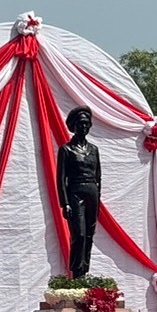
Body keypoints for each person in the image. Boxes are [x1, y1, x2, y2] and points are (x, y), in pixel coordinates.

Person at [56, 106, 101, 280]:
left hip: (92, 194)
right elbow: (61, 179)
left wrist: (98, 198)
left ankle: (85, 272)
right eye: (80, 123)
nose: (84, 127)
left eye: (86, 123)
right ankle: (76, 272)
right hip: (75, 194)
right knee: (79, 234)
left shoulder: (94, 150)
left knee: (89, 234)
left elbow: (98, 177)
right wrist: (65, 203)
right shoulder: (66, 150)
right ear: (73, 126)